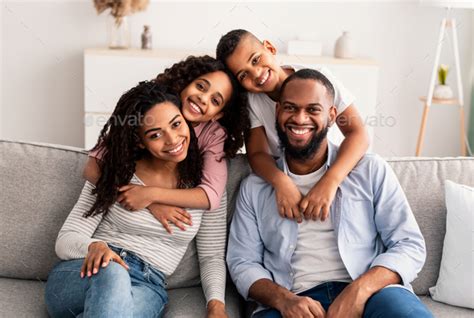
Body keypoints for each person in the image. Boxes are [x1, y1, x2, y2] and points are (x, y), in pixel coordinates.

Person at [227, 69, 432, 318]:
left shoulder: (370, 170)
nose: (300, 119)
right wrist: (284, 300)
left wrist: (360, 290)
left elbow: (409, 245)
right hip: (292, 300)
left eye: (313, 109)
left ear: (332, 115)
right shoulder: (254, 187)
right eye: (290, 108)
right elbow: (242, 261)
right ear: (278, 111)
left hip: (373, 293)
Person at [45, 82, 228, 317]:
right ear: (141, 141)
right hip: (86, 273)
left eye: (176, 124)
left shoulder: (206, 187)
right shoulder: (116, 170)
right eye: (155, 134)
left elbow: (211, 255)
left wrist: (216, 305)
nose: (172, 140)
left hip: (147, 285)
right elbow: (66, 240)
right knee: (113, 273)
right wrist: (94, 246)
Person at [216, 29, 369, 223]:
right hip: (291, 175)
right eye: (243, 74)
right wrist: (281, 182)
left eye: (255, 60)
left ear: (270, 48)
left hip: (332, 169)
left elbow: (358, 133)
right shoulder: (252, 102)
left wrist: (330, 181)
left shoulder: (319, 79)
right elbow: (257, 154)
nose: (256, 73)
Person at [83, 55, 249, 233]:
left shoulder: (213, 134)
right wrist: (151, 205)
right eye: (200, 86)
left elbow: (211, 196)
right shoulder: (156, 104)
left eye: (215, 101)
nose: (203, 98)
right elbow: (92, 169)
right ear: (185, 83)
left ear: (217, 115)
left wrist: (151, 195)